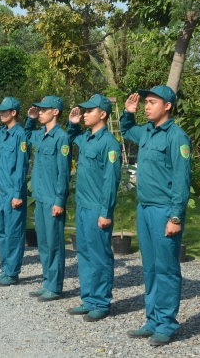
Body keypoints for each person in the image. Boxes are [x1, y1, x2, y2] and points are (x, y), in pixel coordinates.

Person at [121, 86, 191, 346]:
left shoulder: (176, 137)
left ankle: (167, 323)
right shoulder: (147, 131)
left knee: (166, 268)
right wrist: (128, 113)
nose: (146, 106)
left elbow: (181, 181)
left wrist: (175, 217)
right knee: (149, 267)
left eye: (152, 102)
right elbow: (127, 131)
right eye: (146, 102)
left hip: (164, 210)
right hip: (145, 208)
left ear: (168, 106)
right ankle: (152, 320)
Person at [66, 94, 122, 322]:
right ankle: (88, 299)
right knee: (85, 254)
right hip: (82, 206)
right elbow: (72, 137)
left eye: (90, 110)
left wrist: (105, 212)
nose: (85, 113)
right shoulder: (87, 138)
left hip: (97, 208)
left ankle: (101, 302)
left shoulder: (109, 143)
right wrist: (72, 123)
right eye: (84, 110)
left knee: (100, 257)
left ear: (103, 114)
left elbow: (111, 181)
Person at [24, 96, 71, 302]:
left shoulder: (62, 138)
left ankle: (55, 286)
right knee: (43, 243)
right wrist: (30, 119)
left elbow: (64, 173)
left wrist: (60, 200)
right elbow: (25, 135)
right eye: (39, 109)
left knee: (54, 243)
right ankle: (47, 282)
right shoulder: (41, 134)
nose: (40, 112)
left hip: (52, 198)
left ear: (56, 112)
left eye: (44, 109)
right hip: (40, 197)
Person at [0, 97, 30, 286]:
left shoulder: (20, 135)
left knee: (14, 233)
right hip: (2, 191)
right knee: (2, 232)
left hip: (13, 191)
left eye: (5, 111)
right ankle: (5, 269)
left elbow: (21, 166)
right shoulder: (2, 133)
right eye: (0, 111)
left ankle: (12, 272)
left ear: (14, 113)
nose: (1, 114)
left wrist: (18, 193)